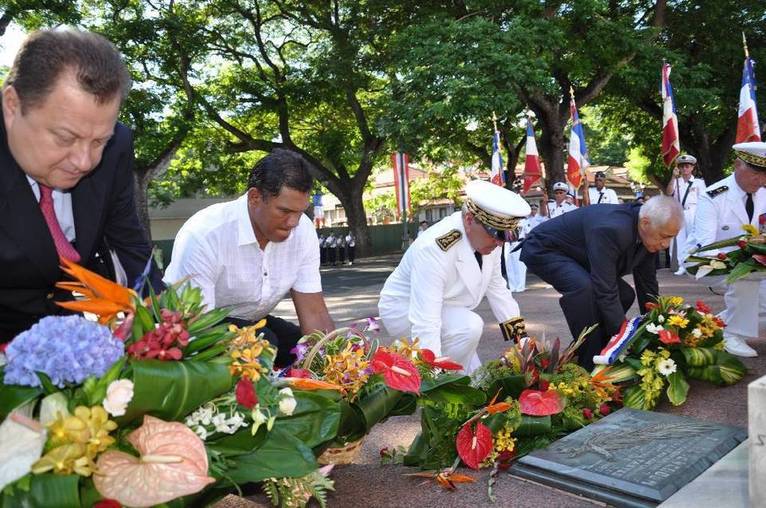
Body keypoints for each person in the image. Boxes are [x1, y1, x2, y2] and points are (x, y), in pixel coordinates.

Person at [0, 28, 162, 342]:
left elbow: (128, 244)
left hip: (69, 338)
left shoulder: (117, 147)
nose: (85, 161)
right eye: (65, 138)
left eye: (100, 141)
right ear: (11, 105)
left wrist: (162, 320)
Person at [164, 150, 334, 366]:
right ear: (254, 197)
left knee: (301, 348)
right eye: (284, 211)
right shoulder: (205, 233)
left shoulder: (303, 231)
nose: (293, 222)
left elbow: (314, 312)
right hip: (196, 328)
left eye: (300, 212)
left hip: (254, 323)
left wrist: (333, 362)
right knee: (265, 345)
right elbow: (195, 328)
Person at [378, 180, 530, 373]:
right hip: (404, 308)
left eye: (504, 236)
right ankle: (426, 378)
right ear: (468, 220)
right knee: (469, 328)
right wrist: (433, 378)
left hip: (449, 308)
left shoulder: (488, 242)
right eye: (494, 234)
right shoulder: (435, 248)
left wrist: (522, 342)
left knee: (474, 378)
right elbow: (426, 320)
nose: (499, 243)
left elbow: (499, 292)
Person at [520, 196, 683, 370]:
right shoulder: (612, 229)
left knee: (625, 295)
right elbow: (605, 289)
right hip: (545, 248)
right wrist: (625, 340)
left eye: (671, 238)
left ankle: (599, 350)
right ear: (645, 223)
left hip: (577, 254)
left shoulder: (649, 231)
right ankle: (589, 365)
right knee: (584, 289)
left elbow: (647, 286)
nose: (666, 244)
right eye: (664, 237)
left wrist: (656, 328)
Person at [686, 142, 766, 357]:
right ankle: (733, 333)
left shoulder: (764, 194)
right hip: (706, 261)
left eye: (765, 174)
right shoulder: (713, 196)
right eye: (756, 173)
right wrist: (745, 263)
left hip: (752, 261)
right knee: (747, 277)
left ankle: (718, 324)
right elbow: (706, 245)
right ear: (737, 165)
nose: (761, 180)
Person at [665, 154, 706, 275]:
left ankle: (693, 264)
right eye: (682, 167)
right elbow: (668, 193)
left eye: (687, 166)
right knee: (678, 239)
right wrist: (673, 177)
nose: (684, 169)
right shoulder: (676, 182)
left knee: (693, 238)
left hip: (693, 211)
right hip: (679, 212)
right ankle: (681, 265)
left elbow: (703, 200)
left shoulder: (698, 183)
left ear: (692, 167)